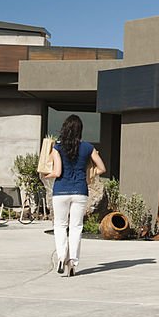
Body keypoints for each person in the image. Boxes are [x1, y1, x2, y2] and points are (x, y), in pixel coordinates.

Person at [43, 115, 106, 277]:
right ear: (80, 130)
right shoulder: (88, 147)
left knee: (60, 226)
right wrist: (89, 176)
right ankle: (72, 262)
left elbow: (57, 172)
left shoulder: (57, 148)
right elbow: (102, 168)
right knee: (76, 227)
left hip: (61, 191)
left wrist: (46, 175)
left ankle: (61, 256)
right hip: (80, 191)